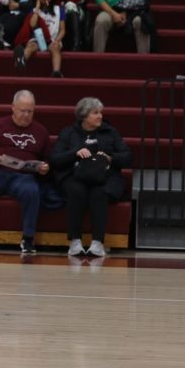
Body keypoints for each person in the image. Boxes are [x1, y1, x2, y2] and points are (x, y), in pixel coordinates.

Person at [0, 90, 51, 255]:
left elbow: (49, 158)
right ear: (13, 108)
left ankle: (28, 238)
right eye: (22, 110)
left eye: (30, 111)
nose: (26, 115)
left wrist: (45, 167)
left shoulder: (41, 131)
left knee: (32, 191)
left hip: (23, 177)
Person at [50, 97, 132, 258]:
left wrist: (110, 157)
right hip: (75, 175)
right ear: (83, 115)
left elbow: (128, 157)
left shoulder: (110, 132)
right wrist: (74, 153)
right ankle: (75, 241)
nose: (100, 116)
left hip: (105, 176)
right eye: (95, 113)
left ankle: (98, 243)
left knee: (99, 193)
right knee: (76, 191)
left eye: (100, 112)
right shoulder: (69, 132)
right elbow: (55, 159)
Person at [12, 0, 65, 76]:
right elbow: (32, 24)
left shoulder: (59, 9)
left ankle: (56, 72)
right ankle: (21, 61)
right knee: (31, 45)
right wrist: (37, 8)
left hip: (52, 40)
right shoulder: (34, 10)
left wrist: (57, 40)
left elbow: (63, 30)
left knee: (55, 48)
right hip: (38, 39)